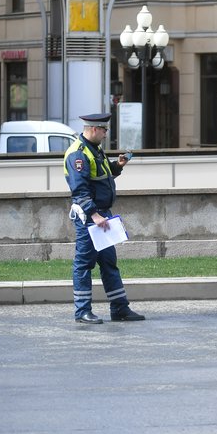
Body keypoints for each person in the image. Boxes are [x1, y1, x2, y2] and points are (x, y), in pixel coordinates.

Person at [64, 113, 145, 324]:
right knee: (84, 264)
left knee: (109, 263)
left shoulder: (95, 149)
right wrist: (95, 214)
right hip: (90, 218)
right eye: (104, 130)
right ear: (94, 129)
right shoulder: (78, 154)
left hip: (102, 216)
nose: (106, 134)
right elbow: (80, 190)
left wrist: (118, 165)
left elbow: (102, 176)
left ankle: (119, 309)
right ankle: (82, 311)